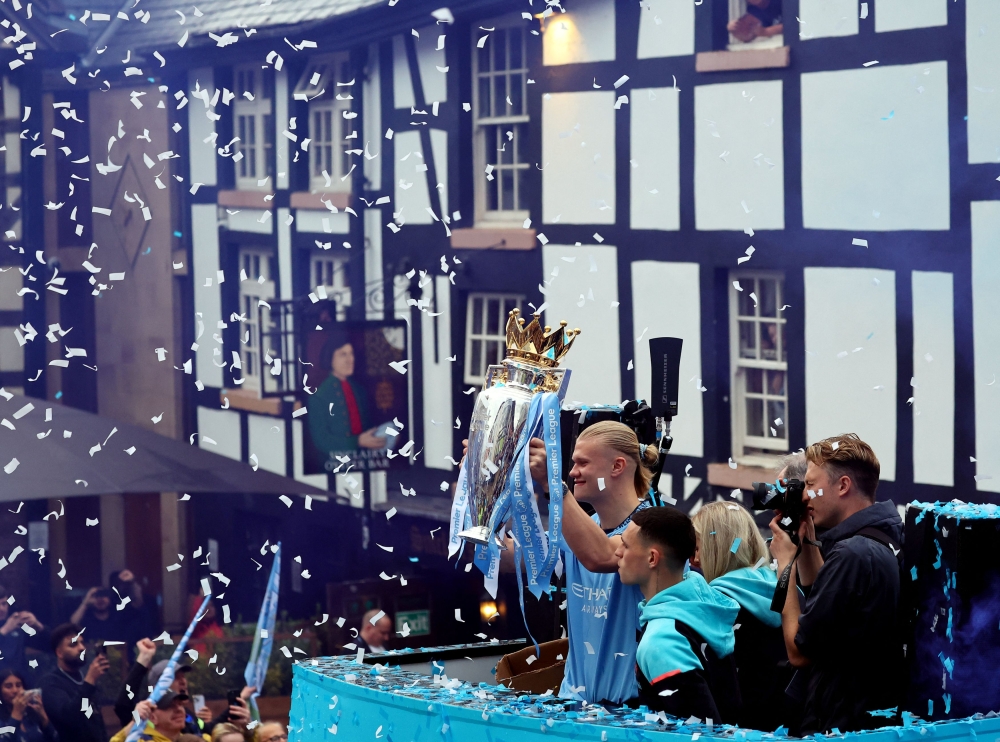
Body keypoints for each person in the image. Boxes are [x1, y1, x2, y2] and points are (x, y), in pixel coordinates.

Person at [768, 434, 903, 734]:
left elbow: (799, 652)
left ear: (843, 485)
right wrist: (806, 540)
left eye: (812, 485)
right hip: (869, 716)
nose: (804, 495)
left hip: (842, 722)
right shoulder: (882, 537)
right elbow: (825, 600)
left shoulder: (851, 554)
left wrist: (784, 566)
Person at [524, 421, 658, 706]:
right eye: (572, 463)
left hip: (629, 714)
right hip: (574, 706)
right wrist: (481, 487)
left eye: (582, 463)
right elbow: (510, 558)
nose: (572, 472)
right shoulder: (581, 529)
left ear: (617, 466)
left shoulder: (655, 529)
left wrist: (552, 484)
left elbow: (602, 556)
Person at [615, 506, 740, 721]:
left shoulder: (663, 640)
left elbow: (700, 731)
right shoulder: (702, 605)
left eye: (625, 545)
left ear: (652, 558)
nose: (618, 552)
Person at [692, 500, 792, 730]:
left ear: (715, 547)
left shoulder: (717, 603)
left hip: (734, 729)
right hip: (782, 725)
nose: (693, 559)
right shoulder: (783, 588)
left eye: (697, 546)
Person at [306, 332, 385, 465]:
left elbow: (368, 425)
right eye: (343, 354)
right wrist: (357, 441)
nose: (350, 360)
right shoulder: (319, 396)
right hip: (334, 464)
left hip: (364, 461)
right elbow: (322, 441)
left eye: (351, 353)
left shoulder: (360, 391)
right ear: (330, 359)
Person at [40, 623, 108, 742]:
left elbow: (97, 722)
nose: (82, 648)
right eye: (73, 644)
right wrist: (90, 680)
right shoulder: (51, 683)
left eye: (82, 643)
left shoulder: (84, 677)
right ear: (59, 653)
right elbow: (69, 717)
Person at [0, 585, 49, 680]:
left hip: (19, 684)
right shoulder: (9, 626)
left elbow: (48, 646)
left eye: (4, 604)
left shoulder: (16, 625)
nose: (1, 609)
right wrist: (5, 630)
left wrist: (38, 626)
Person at [110, 692, 203, 742]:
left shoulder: (195, 739)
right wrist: (136, 720)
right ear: (153, 717)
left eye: (180, 704)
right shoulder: (143, 740)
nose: (179, 709)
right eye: (169, 706)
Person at [0, 668, 58, 742]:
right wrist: (16, 714)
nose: (15, 690)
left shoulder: (30, 715)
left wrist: (43, 717)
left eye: (18, 685)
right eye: (8, 686)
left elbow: (55, 739)